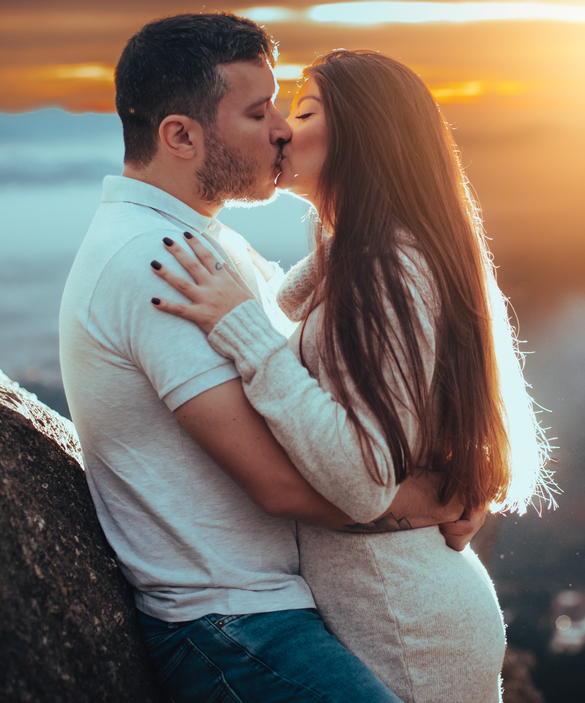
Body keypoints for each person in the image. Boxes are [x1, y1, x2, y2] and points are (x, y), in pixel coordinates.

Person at [59, 14, 473, 703]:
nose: (282, 129)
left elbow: (319, 392)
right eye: (259, 112)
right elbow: (278, 483)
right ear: (181, 136)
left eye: (283, 107)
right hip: (232, 622)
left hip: (276, 607)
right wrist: (427, 500)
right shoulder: (157, 261)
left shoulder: (211, 247)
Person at [150, 49, 552, 703]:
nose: (280, 127)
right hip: (414, 609)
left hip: (406, 631)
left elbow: (360, 480)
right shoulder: (364, 261)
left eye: (303, 111)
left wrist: (241, 327)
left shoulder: (386, 271)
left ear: (362, 137)